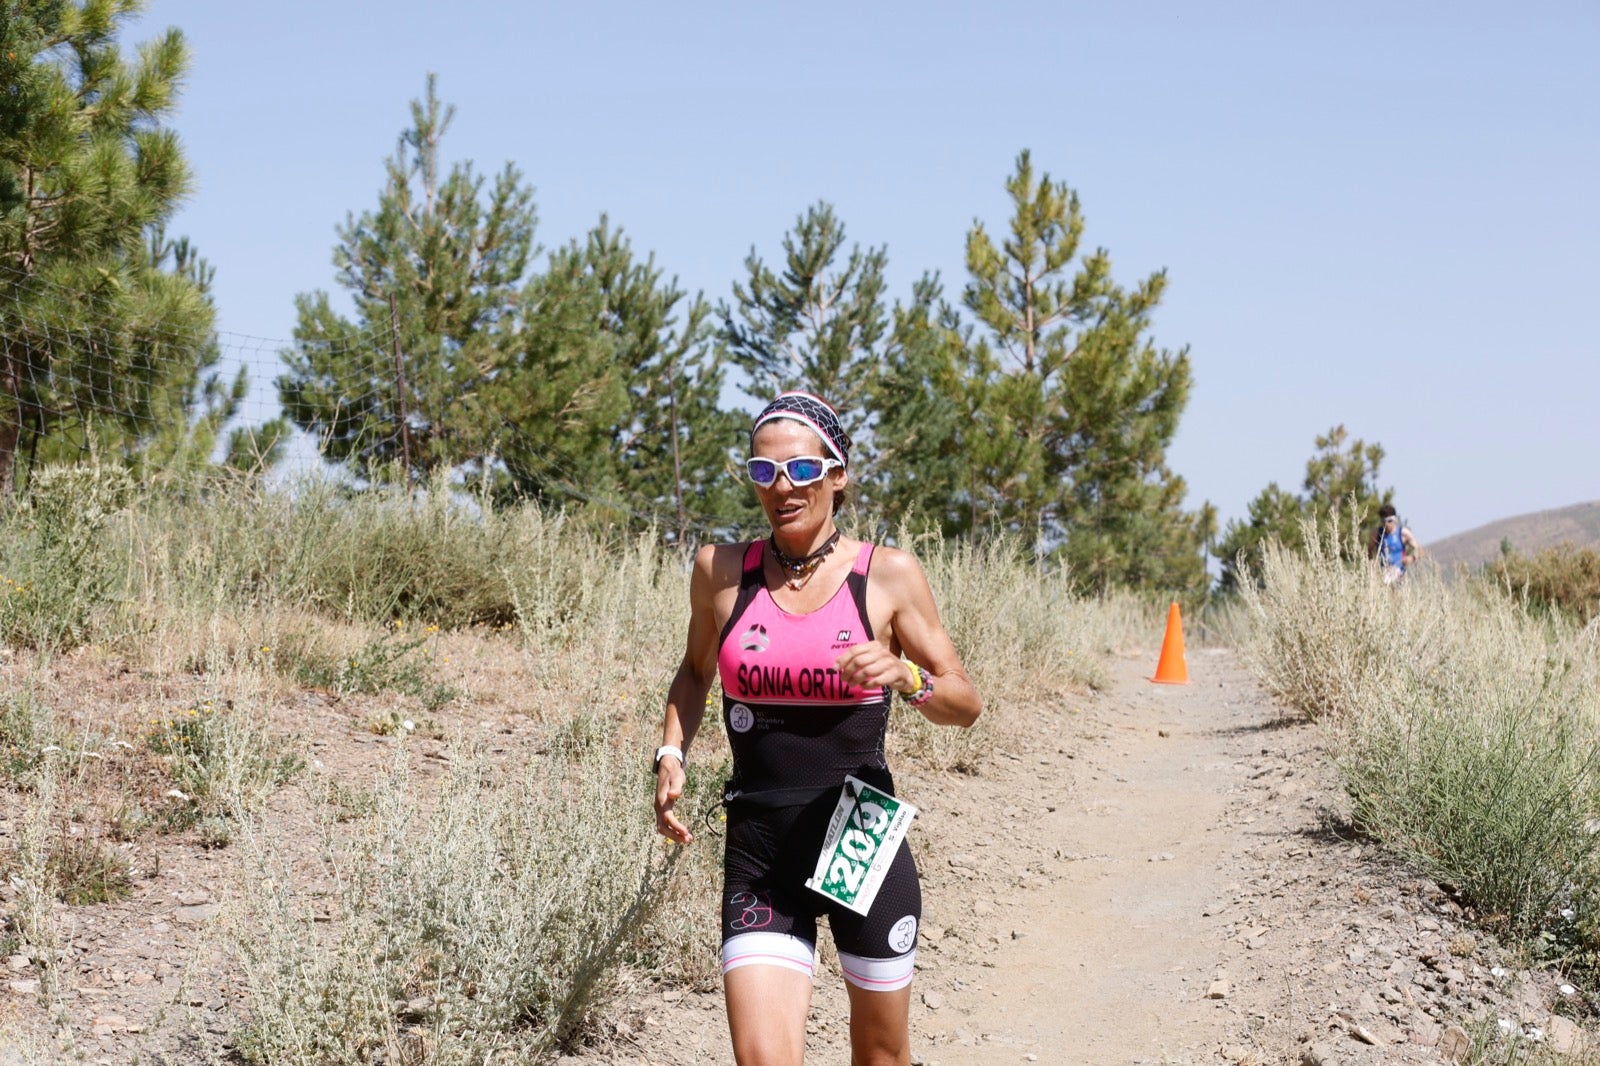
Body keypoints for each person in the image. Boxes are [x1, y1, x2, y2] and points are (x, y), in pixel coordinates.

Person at [653, 391, 982, 1066]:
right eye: (764, 472)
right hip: (760, 845)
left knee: (882, 1056)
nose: (783, 488)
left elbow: (965, 702)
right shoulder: (720, 571)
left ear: (837, 475)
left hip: (860, 833)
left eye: (802, 471)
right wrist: (670, 751)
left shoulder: (885, 575)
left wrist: (904, 675)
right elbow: (693, 673)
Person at [1367, 503, 1422, 584]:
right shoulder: (1377, 533)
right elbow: (1368, 550)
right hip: (1383, 574)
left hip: (1399, 574)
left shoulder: (1403, 533)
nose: (1386, 524)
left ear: (1394, 519)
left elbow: (1420, 550)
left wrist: (1411, 558)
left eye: (1389, 521)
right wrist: (1371, 563)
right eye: (1383, 521)